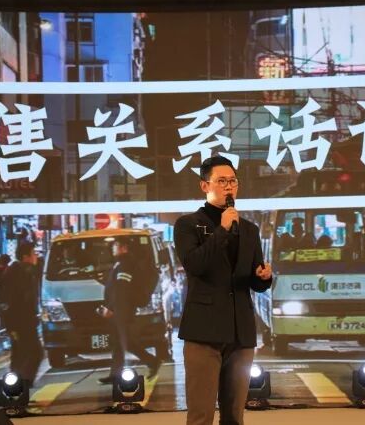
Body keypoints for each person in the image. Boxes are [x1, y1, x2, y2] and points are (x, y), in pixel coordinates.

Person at [174, 155, 272, 425]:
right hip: (203, 333)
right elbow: (195, 265)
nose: (229, 186)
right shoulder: (187, 225)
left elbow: (254, 281)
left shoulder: (249, 230)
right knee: (201, 416)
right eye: (221, 181)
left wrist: (264, 277)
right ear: (205, 186)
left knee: (234, 417)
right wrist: (223, 229)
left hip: (240, 334)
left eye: (233, 181)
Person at [97, 237, 160, 384]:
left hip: (122, 311)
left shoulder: (126, 265)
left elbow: (122, 291)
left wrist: (111, 309)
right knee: (119, 343)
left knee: (125, 342)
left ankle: (152, 361)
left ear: (124, 248)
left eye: (116, 245)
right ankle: (116, 374)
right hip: (120, 310)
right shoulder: (120, 263)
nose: (113, 248)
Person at [0, 241, 43, 383]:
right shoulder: (18, 272)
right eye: (33, 253)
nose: (36, 256)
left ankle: (20, 385)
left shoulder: (24, 271)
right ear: (25, 256)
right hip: (20, 322)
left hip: (25, 320)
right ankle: (21, 385)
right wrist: (11, 325)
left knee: (23, 355)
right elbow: (9, 300)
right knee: (31, 353)